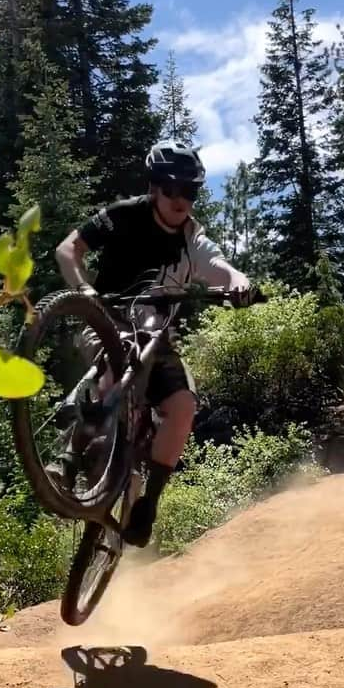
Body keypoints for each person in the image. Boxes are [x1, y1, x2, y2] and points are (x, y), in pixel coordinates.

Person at [55, 141, 251, 548]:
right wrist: (85, 291)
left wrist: (235, 281)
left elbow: (216, 265)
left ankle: (148, 505)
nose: (181, 199)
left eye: (191, 191)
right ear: (154, 186)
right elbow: (68, 249)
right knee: (118, 358)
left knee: (183, 406)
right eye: (171, 188)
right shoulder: (124, 215)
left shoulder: (191, 236)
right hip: (106, 322)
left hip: (156, 339)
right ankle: (68, 457)